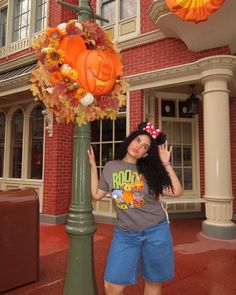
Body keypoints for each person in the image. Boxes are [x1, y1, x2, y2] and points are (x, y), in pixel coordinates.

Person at [88, 121, 183, 295]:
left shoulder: (149, 173)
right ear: (131, 140)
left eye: (145, 146)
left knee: (153, 282)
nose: (139, 146)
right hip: (125, 235)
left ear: (146, 154)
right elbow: (96, 194)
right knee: (112, 286)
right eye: (138, 141)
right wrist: (93, 166)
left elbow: (177, 191)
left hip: (156, 231)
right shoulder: (110, 167)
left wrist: (166, 164)